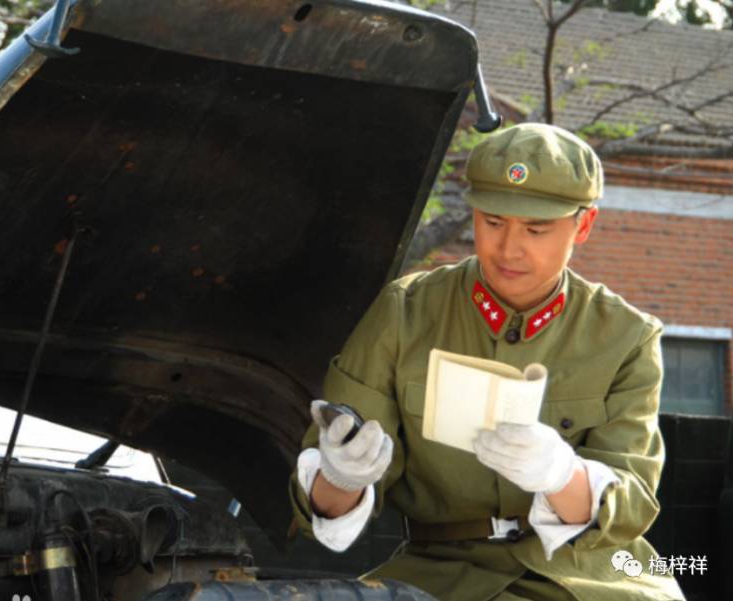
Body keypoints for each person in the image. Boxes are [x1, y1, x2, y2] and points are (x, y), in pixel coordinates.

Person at [288, 123, 685, 601]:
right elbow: (321, 510)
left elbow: (631, 504)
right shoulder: (404, 312)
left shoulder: (626, 336)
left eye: (536, 229)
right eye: (493, 222)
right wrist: (340, 475)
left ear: (583, 225)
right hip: (441, 573)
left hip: (591, 577)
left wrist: (563, 475)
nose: (508, 249)